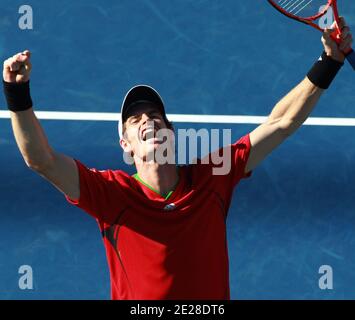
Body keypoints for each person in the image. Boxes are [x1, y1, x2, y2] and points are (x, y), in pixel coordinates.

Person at [2, 18, 352, 300]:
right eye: (135, 120)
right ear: (126, 146)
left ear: (170, 133)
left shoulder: (213, 176)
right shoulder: (108, 193)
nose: (147, 120)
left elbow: (281, 123)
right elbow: (41, 160)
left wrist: (329, 63)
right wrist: (17, 93)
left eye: (155, 116)